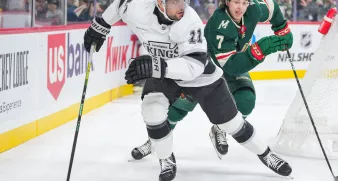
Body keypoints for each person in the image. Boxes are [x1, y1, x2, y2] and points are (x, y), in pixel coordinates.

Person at [83, 0, 292, 180]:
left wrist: (156, 66)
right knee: (152, 109)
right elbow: (120, 5)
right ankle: (166, 160)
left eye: (183, 1)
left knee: (232, 124)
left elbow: (194, 66)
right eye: (174, 2)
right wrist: (100, 25)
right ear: (159, 3)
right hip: (165, 71)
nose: (181, 6)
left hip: (199, 75)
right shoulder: (138, 7)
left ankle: (265, 154)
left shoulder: (189, 20)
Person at [131, 0, 293, 160]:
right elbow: (232, 65)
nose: (240, 7)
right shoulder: (219, 22)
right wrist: (262, 48)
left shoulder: (254, 10)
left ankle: (220, 129)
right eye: (236, 2)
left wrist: (282, 28)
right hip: (206, 68)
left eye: (244, 3)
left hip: (234, 62)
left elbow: (272, 7)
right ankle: (155, 141)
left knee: (246, 99)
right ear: (227, 2)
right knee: (179, 107)